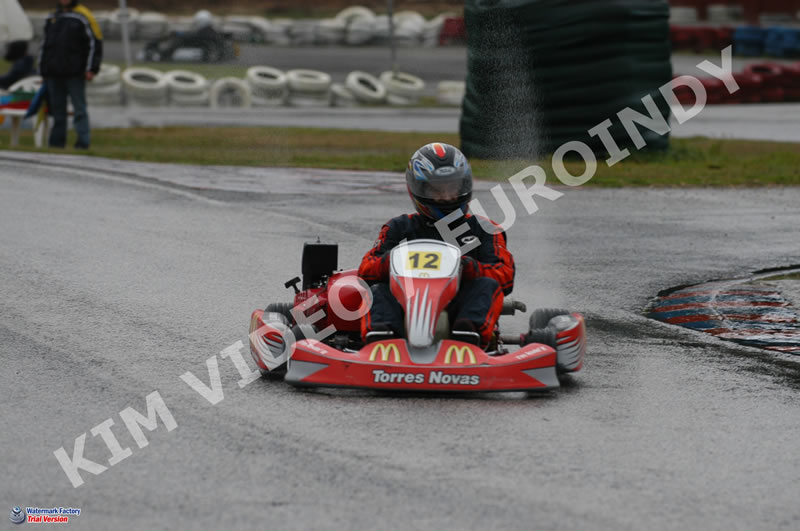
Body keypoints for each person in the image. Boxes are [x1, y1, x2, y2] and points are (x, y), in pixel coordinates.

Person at [358, 142, 515, 348]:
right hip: (406, 304)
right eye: (437, 190)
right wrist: (390, 262)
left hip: (460, 307)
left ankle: (467, 339)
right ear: (418, 189)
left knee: (488, 286)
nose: (447, 197)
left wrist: (468, 268)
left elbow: (504, 275)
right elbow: (366, 270)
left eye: (453, 188)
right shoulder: (399, 227)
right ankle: (382, 340)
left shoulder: (485, 228)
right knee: (376, 289)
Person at [38, 0, 103, 149]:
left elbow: (95, 42)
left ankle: (83, 142)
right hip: (53, 72)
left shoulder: (83, 16)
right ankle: (56, 143)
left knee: (79, 109)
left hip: (75, 72)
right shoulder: (52, 17)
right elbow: (44, 45)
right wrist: (42, 71)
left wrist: (91, 68)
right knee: (56, 109)